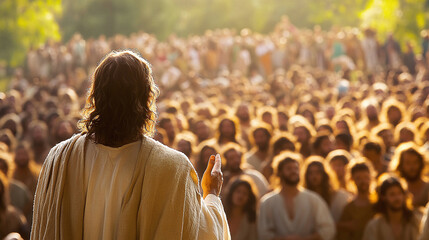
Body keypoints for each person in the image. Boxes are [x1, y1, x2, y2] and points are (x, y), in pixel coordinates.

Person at [31, 51, 231, 239]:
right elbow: (203, 232)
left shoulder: (58, 158)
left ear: (95, 96)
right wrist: (211, 194)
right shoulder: (173, 168)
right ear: (146, 99)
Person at [258, 151, 335, 240]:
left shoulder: (313, 199)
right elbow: (263, 234)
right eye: (289, 168)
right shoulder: (267, 202)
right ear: (279, 172)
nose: (293, 171)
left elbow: (328, 229)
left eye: (296, 168)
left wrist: (306, 239)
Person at [363, 176, 420, 240]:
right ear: (383, 197)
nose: (397, 198)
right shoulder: (374, 226)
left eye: (399, 193)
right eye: (392, 194)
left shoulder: (415, 221)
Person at [337, 162, 375, 240]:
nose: (363, 181)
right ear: (352, 179)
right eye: (358, 178)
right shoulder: (349, 208)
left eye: (366, 177)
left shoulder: (378, 203)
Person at [390, 142, 429, 208]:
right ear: (401, 164)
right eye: (408, 163)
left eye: (415, 162)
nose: (412, 167)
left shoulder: (427, 188)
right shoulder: (395, 189)